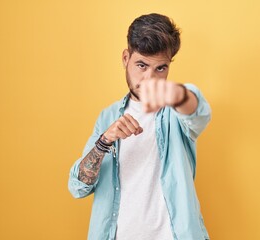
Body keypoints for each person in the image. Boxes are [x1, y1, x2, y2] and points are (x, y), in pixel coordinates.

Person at [68, 13, 211, 240]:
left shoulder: (176, 113)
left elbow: (199, 112)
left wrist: (176, 94)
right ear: (126, 58)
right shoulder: (107, 118)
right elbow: (78, 187)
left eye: (160, 69)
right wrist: (104, 141)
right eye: (141, 65)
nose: (149, 79)